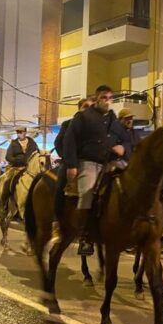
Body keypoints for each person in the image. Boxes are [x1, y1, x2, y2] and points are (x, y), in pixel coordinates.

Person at [63, 84, 130, 256]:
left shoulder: (115, 121)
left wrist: (123, 148)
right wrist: (71, 165)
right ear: (97, 98)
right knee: (87, 193)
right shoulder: (83, 117)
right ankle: (86, 236)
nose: (107, 101)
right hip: (90, 162)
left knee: (133, 185)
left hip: (112, 163)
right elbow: (70, 140)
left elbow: (128, 141)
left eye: (110, 98)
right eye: (103, 98)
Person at [51, 97, 93, 242]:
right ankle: (56, 221)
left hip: (89, 163)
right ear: (80, 108)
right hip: (71, 162)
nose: (88, 109)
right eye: (85, 106)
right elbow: (59, 143)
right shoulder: (68, 124)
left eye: (91, 107)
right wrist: (70, 161)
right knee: (61, 183)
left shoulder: (95, 126)